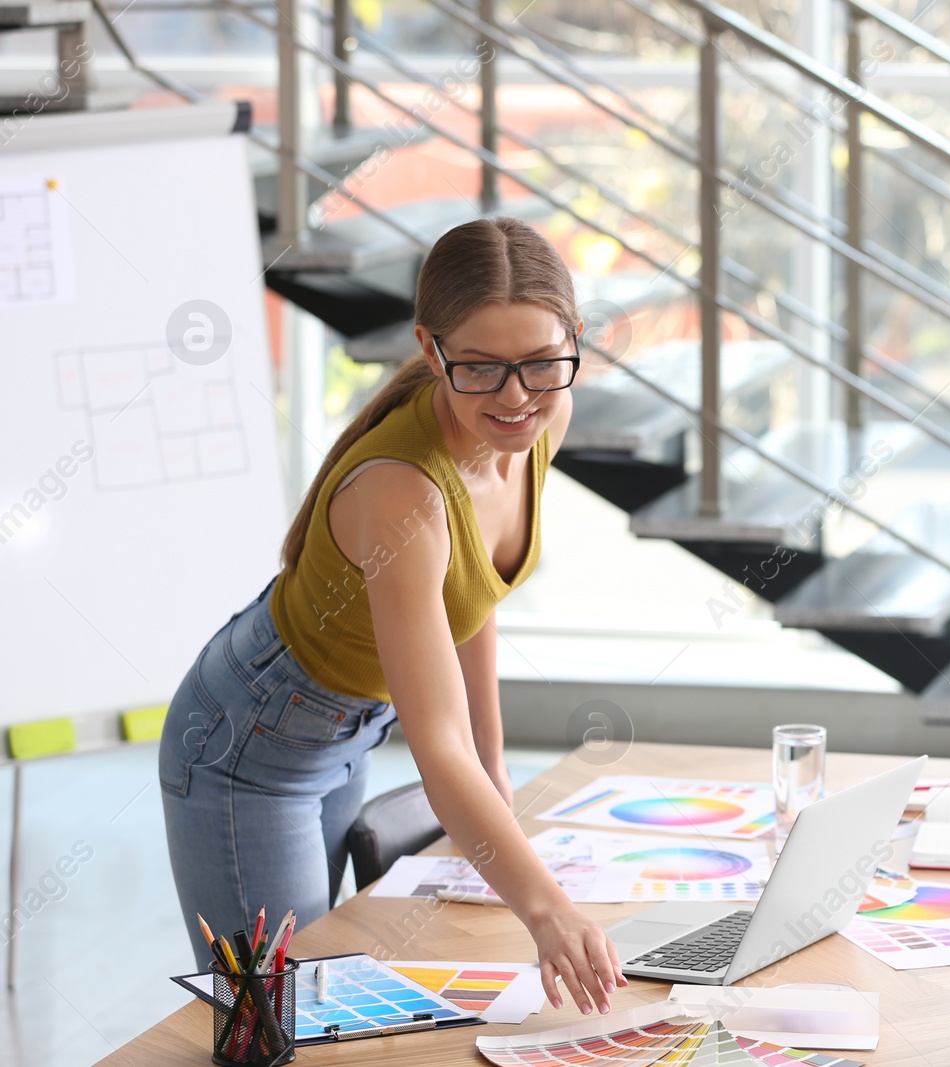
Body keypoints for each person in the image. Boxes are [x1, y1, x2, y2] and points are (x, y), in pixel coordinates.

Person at [159, 217, 624, 1015]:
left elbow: (470, 598)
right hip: (248, 745)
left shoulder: (543, 418)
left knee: (323, 997)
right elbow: (435, 745)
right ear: (431, 347)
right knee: (271, 1017)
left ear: (573, 340)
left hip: (344, 727)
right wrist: (547, 909)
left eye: (542, 363)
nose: (516, 397)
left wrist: (495, 757)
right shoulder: (403, 493)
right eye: (479, 368)